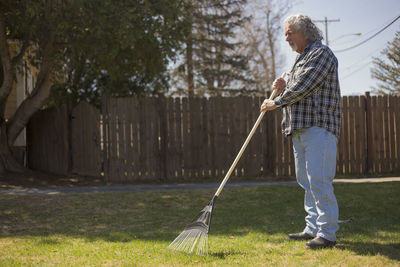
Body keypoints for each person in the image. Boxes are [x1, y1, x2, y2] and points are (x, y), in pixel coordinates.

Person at [260, 14, 342, 249]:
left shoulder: (322, 54)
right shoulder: (299, 59)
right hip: (300, 129)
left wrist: (276, 102)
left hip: (319, 127)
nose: (286, 38)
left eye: (289, 32)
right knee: (306, 181)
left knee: (319, 179)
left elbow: (306, 86)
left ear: (305, 31)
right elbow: (296, 85)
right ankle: (313, 228)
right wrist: (284, 86)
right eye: (285, 33)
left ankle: (327, 234)